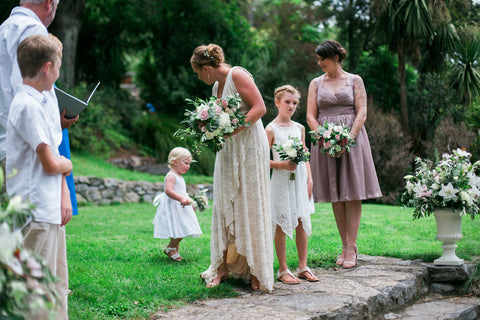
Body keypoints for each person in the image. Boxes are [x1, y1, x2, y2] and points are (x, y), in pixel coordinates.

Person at [191, 44, 273, 292]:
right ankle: (222, 266)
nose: (198, 77)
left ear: (207, 68)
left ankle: (257, 268)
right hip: (228, 147)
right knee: (227, 199)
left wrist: (229, 130)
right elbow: (221, 115)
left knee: (250, 200)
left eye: (197, 72)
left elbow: (260, 108)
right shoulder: (217, 86)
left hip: (249, 145)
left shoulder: (237, 75)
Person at [6, 34, 72, 320]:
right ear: (47, 67)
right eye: (57, 66)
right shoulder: (28, 105)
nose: (58, 73)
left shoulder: (39, 101)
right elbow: (49, 162)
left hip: (47, 209)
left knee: (56, 285)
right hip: (36, 211)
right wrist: (67, 165)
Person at [306, 40, 382, 269]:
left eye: (323, 59)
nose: (319, 63)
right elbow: (311, 115)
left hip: (352, 139)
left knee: (352, 191)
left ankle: (352, 247)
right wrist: (325, 138)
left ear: (336, 58)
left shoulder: (354, 80)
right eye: (318, 59)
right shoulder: (316, 83)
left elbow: (362, 111)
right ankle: (343, 244)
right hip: (325, 141)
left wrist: (348, 137)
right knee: (336, 192)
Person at [0, 1, 78, 205]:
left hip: (6, 143)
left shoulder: (4, 29)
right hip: (28, 152)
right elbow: (32, 93)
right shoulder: (33, 29)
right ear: (49, 3)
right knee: (38, 230)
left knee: (11, 230)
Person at [266, 85, 319, 284]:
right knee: (281, 222)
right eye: (287, 102)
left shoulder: (300, 128)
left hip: (299, 180)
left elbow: (305, 156)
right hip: (280, 181)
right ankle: (283, 269)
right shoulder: (270, 129)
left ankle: (303, 266)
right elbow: (261, 160)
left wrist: (310, 179)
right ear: (277, 103)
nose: (291, 106)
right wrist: (281, 164)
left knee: (301, 222)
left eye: (295, 103)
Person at [152, 147, 202, 261]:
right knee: (182, 228)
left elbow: (182, 192)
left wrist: (190, 202)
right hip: (174, 206)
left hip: (180, 206)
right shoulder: (171, 176)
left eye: (189, 164)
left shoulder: (179, 176)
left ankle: (175, 249)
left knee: (180, 228)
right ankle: (170, 248)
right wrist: (181, 199)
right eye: (186, 163)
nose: (188, 166)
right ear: (175, 162)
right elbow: (168, 191)